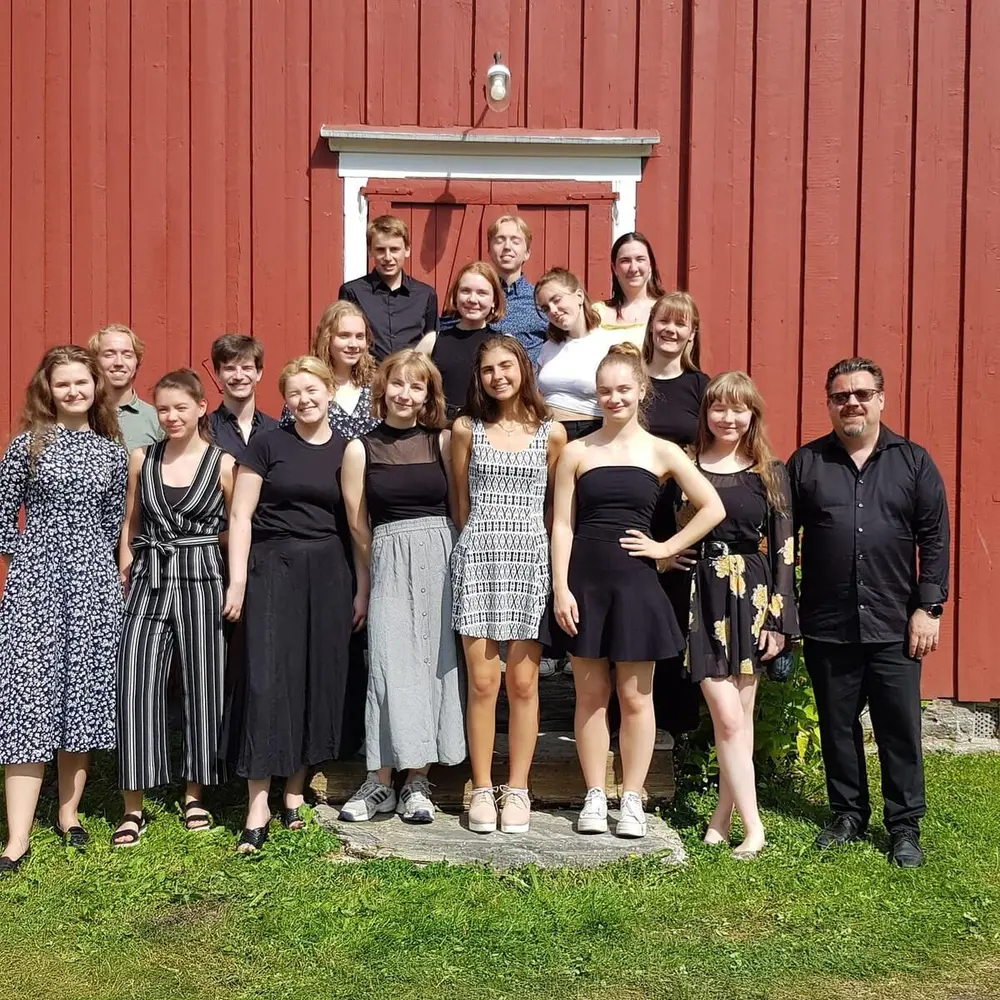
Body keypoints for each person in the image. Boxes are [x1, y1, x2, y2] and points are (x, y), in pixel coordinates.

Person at [551, 343, 724, 839]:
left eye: (623, 389)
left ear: (642, 390)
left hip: (635, 586)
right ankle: (593, 794)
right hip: (584, 583)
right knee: (590, 695)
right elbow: (561, 524)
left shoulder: (662, 450)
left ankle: (631, 796)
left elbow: (712, 506)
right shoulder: (577, 451)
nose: (614, 398)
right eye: (605, 391)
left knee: (635, 696)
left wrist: (666, 547)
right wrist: (561, 587)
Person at [788, 357, 949, 869]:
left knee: (899, 728)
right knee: (837, 726)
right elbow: (783, 538)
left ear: (880, 399)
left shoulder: (913, 462)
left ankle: (904, 826)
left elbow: (935, 538)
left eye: (861, 394)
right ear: (829, 404)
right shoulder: (807, 463)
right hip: (828, 622)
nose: (851, 403)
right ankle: (848, 814)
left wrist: (929, 607)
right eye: (841, 396)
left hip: (894, 623)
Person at [221, 357, 365, 853]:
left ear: (329, 392)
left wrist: (363, 587)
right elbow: (241, 516)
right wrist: (238, 581)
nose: (304, 400)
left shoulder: (348, 450)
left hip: (329, 575)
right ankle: (257, 802)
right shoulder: (267, 444)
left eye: (312, 390)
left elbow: (355, 525)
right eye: (294, 394)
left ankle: (294, 790)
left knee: (313, 678)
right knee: (267, 681)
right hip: (272, 569)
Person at [0, 346, 127, 875]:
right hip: (35, 587)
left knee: (83, 699)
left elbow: (114, 521)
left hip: (94, 587)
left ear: (96, 387)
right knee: (27, 700)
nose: (73, 391)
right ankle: (17, 838)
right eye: (63, 384)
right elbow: (3, 515)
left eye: (81, 382)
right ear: (47, 390)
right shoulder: (28, 445)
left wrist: (101, 573)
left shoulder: (112, 451)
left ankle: (68, 814)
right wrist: (25, 564)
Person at [339, 350, 466, 825]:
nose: (405, 394)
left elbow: (458, 507)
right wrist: (366, 584)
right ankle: (379, 780)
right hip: (388, 556)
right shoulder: (360, 449)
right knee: (388, 667)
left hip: (440, 557)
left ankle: (416, 781)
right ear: (383, 388)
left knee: (435, 666)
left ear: (428, 395)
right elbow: (358, 526)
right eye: (398, 384)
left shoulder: (442, 441)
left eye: (417, 386)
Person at [112, 370, 236, 848]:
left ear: (201, 407)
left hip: (203, 578)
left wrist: (232, 576)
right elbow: (131, 520)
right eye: (163, 409)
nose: (171, 416)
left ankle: (194, 793)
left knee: (204, 684)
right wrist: (127, 563)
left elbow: (239, 526)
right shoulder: (143, 457)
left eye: (180, 407)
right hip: (150, 577)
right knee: (136, 680)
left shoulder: (223, 463)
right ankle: (133, 805)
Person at [677, 372, 798, 860]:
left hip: (753, 594)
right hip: (703, 593)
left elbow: (785, 550)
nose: (728, 418)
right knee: (728, 718)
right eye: (719, 408)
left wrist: (779, 620)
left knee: (740, 721)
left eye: (739, 409)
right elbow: (666, 525)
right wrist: (666, 555)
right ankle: (755, 827)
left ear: (753, 415)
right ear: (706, 413)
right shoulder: (685, 464)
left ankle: (721, 820)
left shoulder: (769, 470)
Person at [451, 336, 567, 834]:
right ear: (478, 378)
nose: (498, 376)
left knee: (523, 684)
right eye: (488, 370)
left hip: (530, 562)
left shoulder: (553, 433)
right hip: (478, 559)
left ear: (523, 369)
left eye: (506, 366)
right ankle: (481, 786)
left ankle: (517, 788)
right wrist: (477, 543)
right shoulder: (466, 429)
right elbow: (460, 502)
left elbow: (555, 508)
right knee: (482, 684)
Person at [644, 292, 711, 743]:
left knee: (675, 613)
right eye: (664, 321)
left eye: (680, 323)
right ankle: (625, 718)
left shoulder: (700, 386)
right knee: (634, 614)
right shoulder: (632, 379)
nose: (671, 329)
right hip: (636, 507)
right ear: (651, 325)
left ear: (691, 333)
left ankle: (672, 725)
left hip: (681, 515)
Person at [535, 268, 644, 443]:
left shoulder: (608, 344)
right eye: (546, 308)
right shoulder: (548, 348)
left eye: (557, 300)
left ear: (579, 296)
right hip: (547, 433)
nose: (553, 310)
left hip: (589, 431)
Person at [338, 215, 438, 361]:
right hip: (368, 373)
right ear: (370, 251)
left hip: (410, 373)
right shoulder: (352, 292)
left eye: (394, 249)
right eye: (380, 250)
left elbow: (432, 344)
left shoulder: (426, 295)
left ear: (407, 250)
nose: (388, 257)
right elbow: (344, 338)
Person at [280, 300, 379, 439]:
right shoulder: (308, 386)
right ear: (327, 338)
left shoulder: (376, 387)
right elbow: (287, 440)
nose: (353, 344)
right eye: (344, 336)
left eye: (359, 336)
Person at [426, 261, 506, 419]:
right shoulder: (433, 341)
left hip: (487, 425)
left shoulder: (504, 344)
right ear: (455, 296)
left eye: (482, 293)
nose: (472, 299)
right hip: (441, 426)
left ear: (494, 300)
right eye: (465, 291)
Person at [485, 215, 550, 367]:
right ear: (489, 250)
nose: (507, 247)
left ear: (527, 253)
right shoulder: (476, 299)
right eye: (500, 240)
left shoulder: (540, 300)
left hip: (530, 381)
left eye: (515, 241)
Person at [89, 323, 162, 452]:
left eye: (127, 355)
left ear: (137, 362)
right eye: (109, 354)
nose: (119, 363)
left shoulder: (157, 420)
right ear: (95, 361)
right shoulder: (81, 415)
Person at [208, 335, 279, 461]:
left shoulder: (277, 430)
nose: (239, 376)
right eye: (230, 368)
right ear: (217, 374)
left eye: (246, 368)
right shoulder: (204, 430)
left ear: (259, 373)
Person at [594, 233, 665, 336]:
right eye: (625, 261)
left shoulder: (667, 310)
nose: (633, 268)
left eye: (640, 259)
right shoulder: (598, 313)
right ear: (614, 268)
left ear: (650, 265)